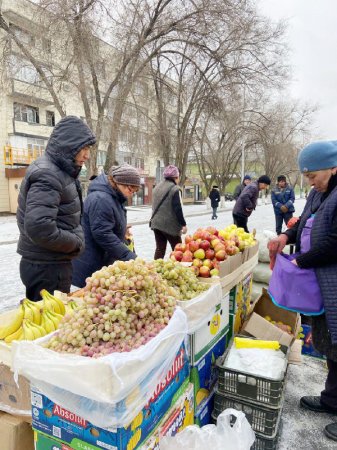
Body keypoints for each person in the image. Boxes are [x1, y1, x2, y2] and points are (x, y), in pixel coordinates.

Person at [268, 140, 337, 442]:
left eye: (313, 175)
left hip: (330, 275)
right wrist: (286, 236)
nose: (310, 181)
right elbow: (302, 221)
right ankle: (332, 400)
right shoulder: (316, 194)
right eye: (307, 177)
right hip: (321, 282)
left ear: (333, 167)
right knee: (331, 345)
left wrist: (301, 260)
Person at [16, 116, 96, 301]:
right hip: (47, 268)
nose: (87, 155)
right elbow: (39, 227)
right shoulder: (48, 174)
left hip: (50, 263)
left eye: (88, 149)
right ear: (69, 146)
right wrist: (75, 243)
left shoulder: (59, 170)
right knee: (50, 325)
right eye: (83, 148)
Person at [72, 164, 139, 287]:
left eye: (134, 192)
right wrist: (129, 256)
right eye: (130, 190)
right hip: (90, 265)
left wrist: (121, 229)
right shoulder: (101, 198)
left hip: (100, 261)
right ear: (119, 182)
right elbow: (103, 234)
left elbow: (106, 223)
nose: (130, 195)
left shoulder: (114, 196)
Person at [150, 165, 187, 259]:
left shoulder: (157, 187)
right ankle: (179, 270)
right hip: (170, 225)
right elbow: (178, 208)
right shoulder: (175, 189)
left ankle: (156, 269)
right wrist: (183, 224)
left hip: (156, 223)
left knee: (160, 249)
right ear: (176, 177)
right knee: (178, 250)